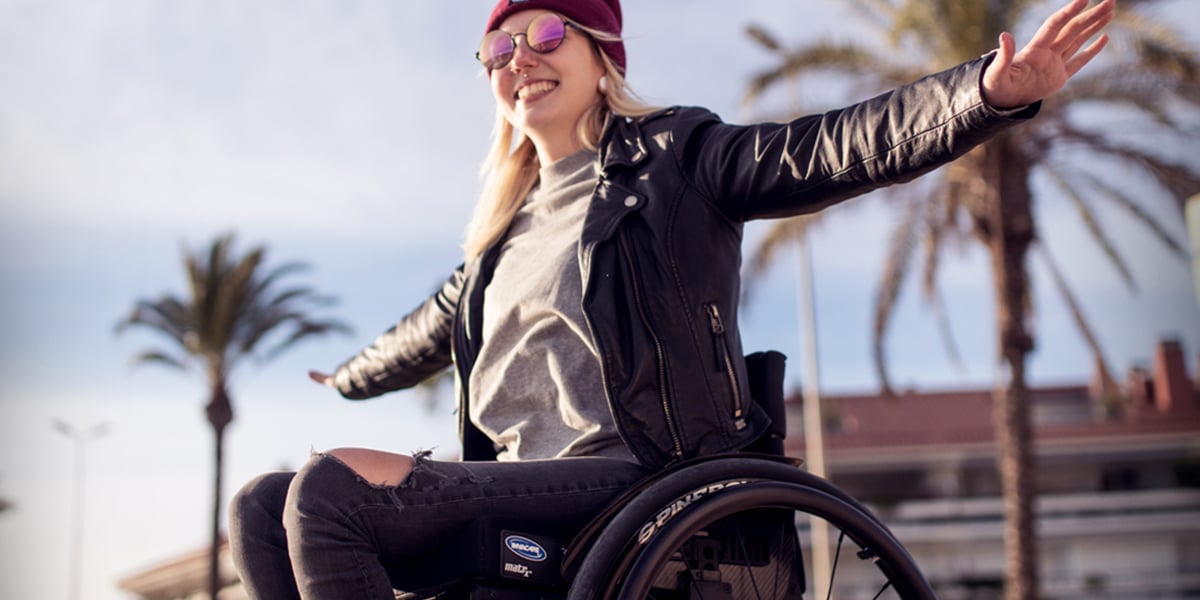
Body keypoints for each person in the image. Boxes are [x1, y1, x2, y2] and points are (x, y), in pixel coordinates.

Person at [229, 0, 1114, 597]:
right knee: (261, 504)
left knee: (327, 492)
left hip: (637, 469)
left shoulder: (674, 159)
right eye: (499, 49)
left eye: (545, 37)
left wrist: (986, 95)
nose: (519, 62)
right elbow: (418, 333)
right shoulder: (497, 234)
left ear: (599, 52)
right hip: (516, 481)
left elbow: (832, 146)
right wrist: (345, 379)